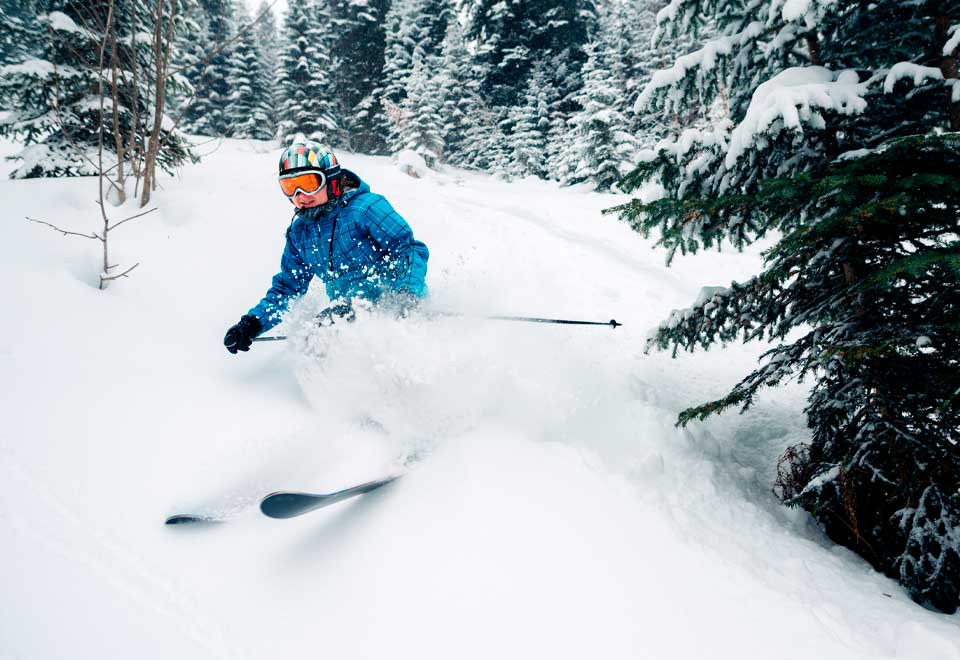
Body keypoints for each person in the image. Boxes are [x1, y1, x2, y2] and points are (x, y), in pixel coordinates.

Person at [224, 141, 429, 354]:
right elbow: (287, 289)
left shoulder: (365, 208)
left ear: (330, 179)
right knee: (315, 338)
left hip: (396, 303)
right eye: (289, 187)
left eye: (309, 182)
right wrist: (251, 324)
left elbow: (408, 249)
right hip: (348, 311)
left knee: (333, 328)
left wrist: (406, 294)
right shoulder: (300, 234)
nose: (300, 195)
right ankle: (341, 385)